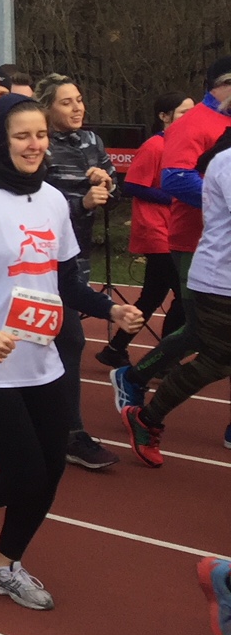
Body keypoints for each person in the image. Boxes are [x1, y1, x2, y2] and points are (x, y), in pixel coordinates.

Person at [0, 95, 142, 609]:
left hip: (43, 359)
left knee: (50, 473)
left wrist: (110, 309)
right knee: (26, 476)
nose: (34, 145)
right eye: (22, 135)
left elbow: (65, 281)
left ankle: (3, 565)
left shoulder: (55, 200)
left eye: (40, 135)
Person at [119, 110, 231, 466]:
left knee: (211, 352)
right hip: (219, 281)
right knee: (217, 359)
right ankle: (146, 416)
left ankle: (142, 401)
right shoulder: (228, 161)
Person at [118, 57, 231, 397]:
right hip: (196, 242)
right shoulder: (194, 122)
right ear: (222, 85)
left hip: (221, 243)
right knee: (198, 328)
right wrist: (220, 201)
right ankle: (134, 376)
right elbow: (176, 179)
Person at [33, 73, 119, 470]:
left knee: (49, 340)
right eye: (66, 102)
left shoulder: (91, 142)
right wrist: (81, 203)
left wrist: (106, 184)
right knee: (65, 339)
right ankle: (70, 431)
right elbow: (34, 206)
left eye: (79, 100)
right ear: (47, 108)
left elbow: (112, 192)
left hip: (77, 256)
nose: (77, 108)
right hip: (40, 257)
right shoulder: (40, 147)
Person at [98, 92, 193, 368]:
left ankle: (115, 349)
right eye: (183, 113)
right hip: (157, 232)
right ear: (164, 116)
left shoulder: (184, 146)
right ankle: (164, 359)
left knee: (151, 297)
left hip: (175, 231)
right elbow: (132, 185)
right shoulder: (154, 146)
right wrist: (175, 196)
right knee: (186, 298)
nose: (190, 118)